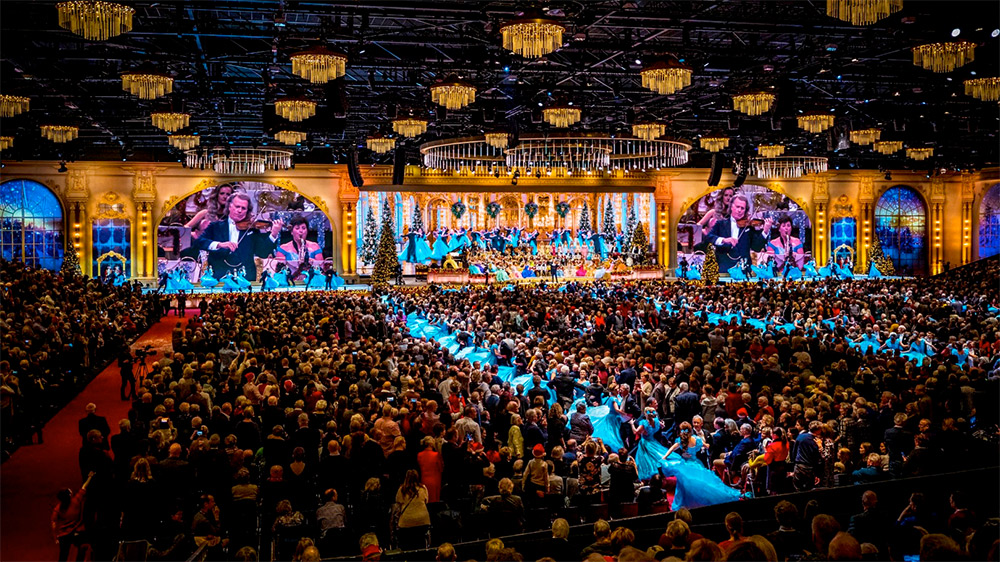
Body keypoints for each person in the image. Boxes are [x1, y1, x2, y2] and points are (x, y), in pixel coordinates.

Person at [194, 193, 283, 281]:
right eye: (237, 207)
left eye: (243, 208)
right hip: (219, 276)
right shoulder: (215, 226)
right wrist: (219, 244)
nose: (240, 210)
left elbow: (262, 252)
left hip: (245, 277)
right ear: (229, 207)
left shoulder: (251, 229)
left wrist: (273, 233)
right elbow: (198, 242)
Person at [660, 421, 741, 510]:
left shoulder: (680, 441)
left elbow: (671, 449)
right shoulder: (697, 439)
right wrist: (704, 445)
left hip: (686, 465)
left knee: (683, 484)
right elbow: (707, 446)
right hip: (696, 463)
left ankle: (686, 504)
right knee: (703, 484)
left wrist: (664, 457)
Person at [709, 194, 773, 274]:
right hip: (724, 269)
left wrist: (765, 231)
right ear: (731, 207)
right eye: (737, 207)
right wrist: (724, 240)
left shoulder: (748, 227)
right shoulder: (720, 224)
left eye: (742, 208)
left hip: (744, 270)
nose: (739, 210)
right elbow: (709, 238)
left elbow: (757, 247)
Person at [52, 471, 95, 562]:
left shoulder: (58, 508)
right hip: (77, 532)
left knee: (63, 555)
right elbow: (84, 487)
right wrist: (90, 477)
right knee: (84, 546)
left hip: (63, 534)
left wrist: (56, 536)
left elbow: (54, 522)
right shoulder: (76, 501)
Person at [394, 469, 430, 551]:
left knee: (406, 547)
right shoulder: (423, 488)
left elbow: (398, 503)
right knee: (420, 545)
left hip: (406, 523)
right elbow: (426, 501)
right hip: (423, 521)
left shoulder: (401, 490)